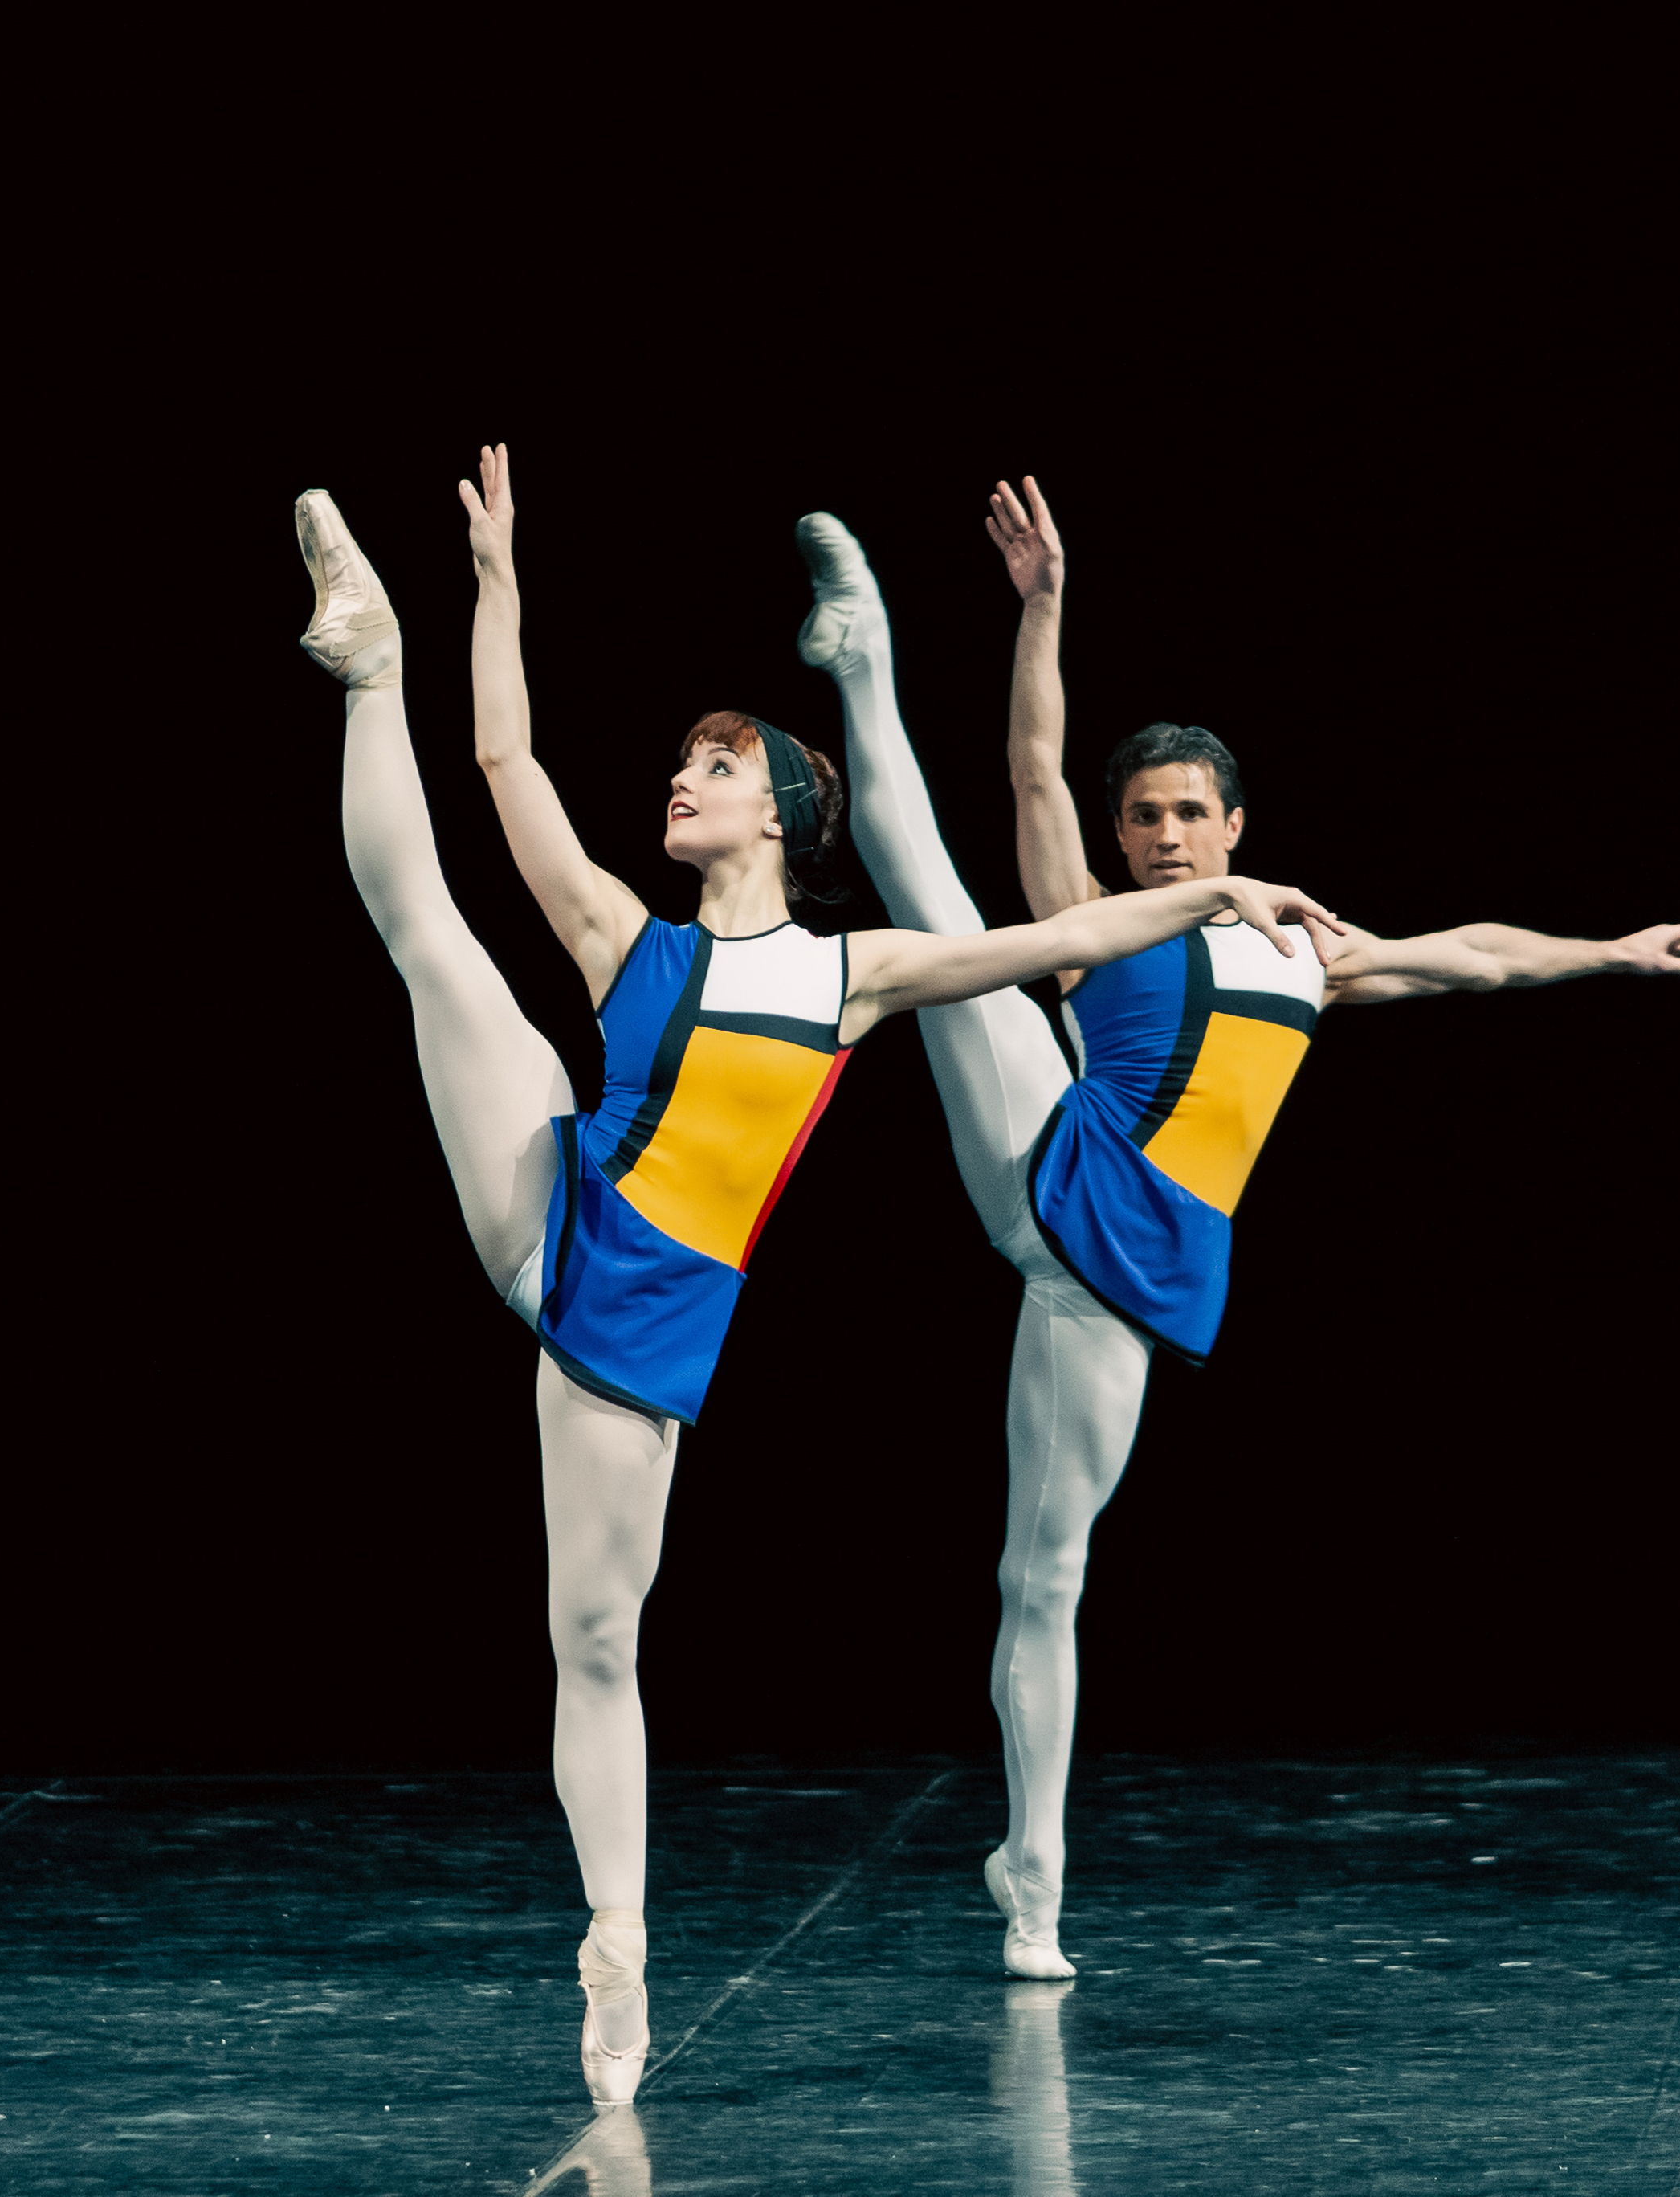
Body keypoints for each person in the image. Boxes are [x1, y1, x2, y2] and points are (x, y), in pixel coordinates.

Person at [303, 446, 1343, 2103]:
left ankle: (617, 1940)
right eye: (681, 760)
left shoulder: (850, 976)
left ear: (781, 809)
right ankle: (370, 662)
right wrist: (492, 587)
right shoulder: (621, 935)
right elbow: (503, 758)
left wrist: (1216, 890)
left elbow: (1054, 939)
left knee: (595, 1638)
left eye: (714, 763)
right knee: (434, 939)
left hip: (635, 1316)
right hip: (547, 1202)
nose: (681, 779)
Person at [793, 479, 1680, 1981]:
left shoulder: (1306, 954)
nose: (1163, 836)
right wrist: (1043, 606)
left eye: (1187, 815)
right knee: (943, 910)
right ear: (1121, 837)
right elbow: (1030, 767)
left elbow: (1475, 957)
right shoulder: (1096, 919)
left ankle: (1028, 1863)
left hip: (1119, 1277)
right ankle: (861, 655)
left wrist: (1604, 951)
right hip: (1049, 1154)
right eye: (1142, 817)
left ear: (1234, 825)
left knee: (1045, 1576)